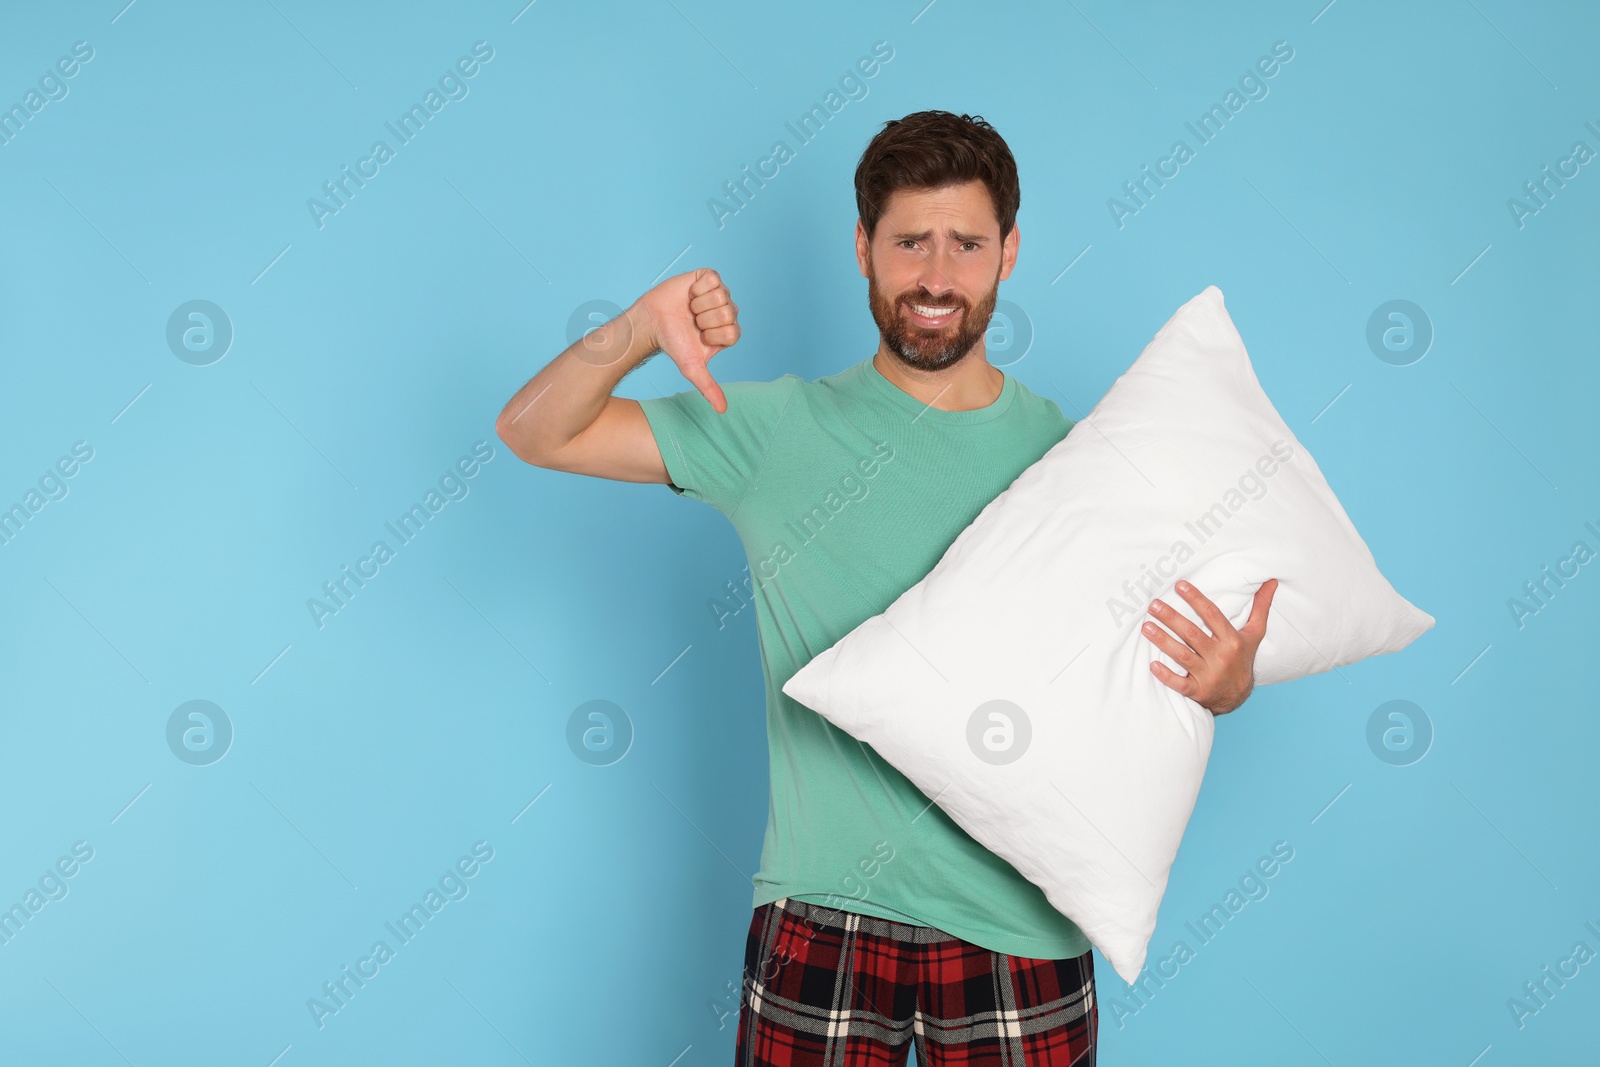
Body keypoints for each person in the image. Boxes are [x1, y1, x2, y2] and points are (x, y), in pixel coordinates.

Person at [496, 110, 1276, 1066]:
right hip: (823, 916)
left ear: (1010, 252)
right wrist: (636, 331)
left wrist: (1225, 687)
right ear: (863, 248)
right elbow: (536, 431)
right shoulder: (774, 432)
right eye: (910, 242)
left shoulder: (1076, 463)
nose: (938, 277)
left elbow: (1154, 670)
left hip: (1020, 931)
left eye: (966, 244)